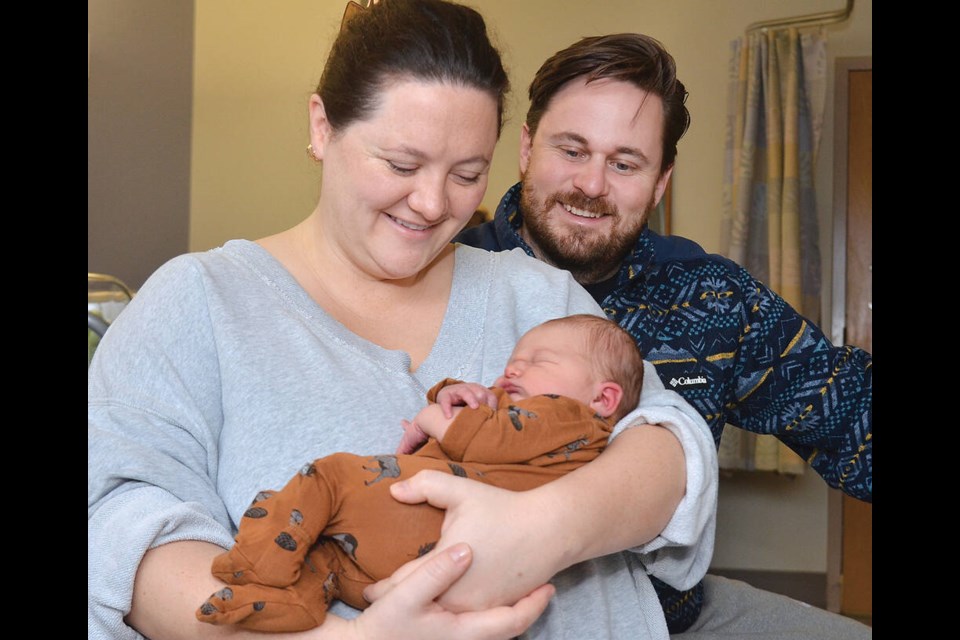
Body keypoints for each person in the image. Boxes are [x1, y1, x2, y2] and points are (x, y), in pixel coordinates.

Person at [88, 3, 719, 640]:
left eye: (467, 174)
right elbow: (119, 527)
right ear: (321, 127)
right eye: (401, 164)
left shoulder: (537, 296)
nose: (432, 203)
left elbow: (669, 444)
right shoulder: (200, 301)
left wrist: (541, 531)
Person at [455, 32, 872, 638]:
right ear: (525, 146)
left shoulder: (710, 297)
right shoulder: (446, 278)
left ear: (660, 181)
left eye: (624, 164)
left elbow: (849, 411)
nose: (592, 185)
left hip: (667, 617)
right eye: (571, 151)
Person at [196, 314, 653, 632]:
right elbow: (490, 431)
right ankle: (293, 602)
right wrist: (458, 393)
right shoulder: (533, 422)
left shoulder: (572, 418)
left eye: (539, 361)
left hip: (434, 522)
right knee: (331, 560)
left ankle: (257, 568)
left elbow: (482, 439)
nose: (515, 367)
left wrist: (436, 418)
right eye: (514, 359)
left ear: (604, 399)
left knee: (330, 477)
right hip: (423, 556)